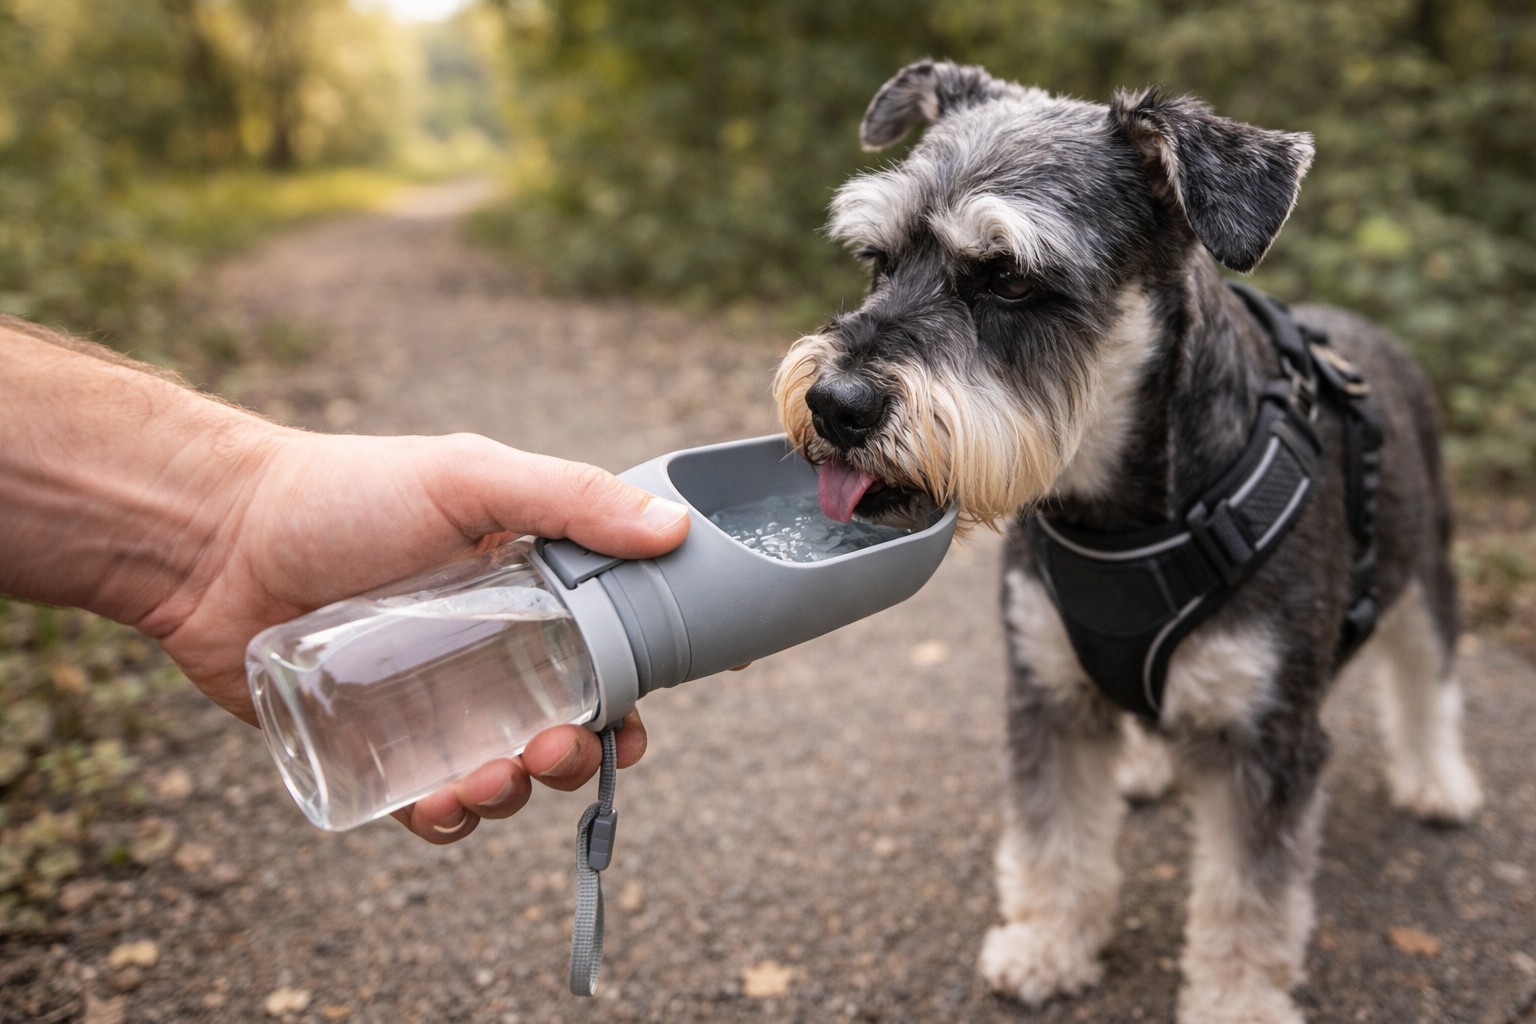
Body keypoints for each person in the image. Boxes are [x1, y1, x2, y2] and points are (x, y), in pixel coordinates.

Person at [0, 315, 690, 843]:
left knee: (523, 750)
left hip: (569, 637)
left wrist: (224, 527)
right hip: (555, 617)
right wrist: (226, 524)